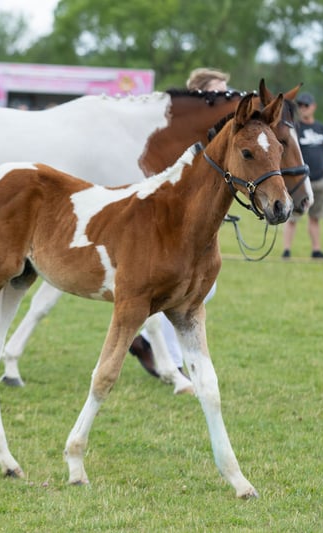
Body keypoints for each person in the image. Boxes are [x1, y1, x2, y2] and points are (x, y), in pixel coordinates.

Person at [128, 68, 230, 379]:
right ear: (200, 94)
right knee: (184, 289)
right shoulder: (183, 127)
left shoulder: (214, 130)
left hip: (192, 220)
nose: (227, 97)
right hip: (168, 219)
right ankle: (169, 360)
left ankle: (149, 344)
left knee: (200, 289)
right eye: (220, 91)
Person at [282, 92, 323, 260]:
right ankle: (286, 250)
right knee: (293, 217)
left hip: (320, 180)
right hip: (301, 181)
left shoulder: (321, 128)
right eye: (300, 105)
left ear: (313, 107)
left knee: (315, 218)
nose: (303, 108)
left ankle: (316, 249)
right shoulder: (295, 128)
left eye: (306, 105)